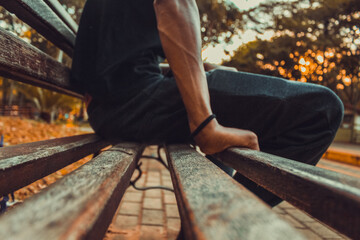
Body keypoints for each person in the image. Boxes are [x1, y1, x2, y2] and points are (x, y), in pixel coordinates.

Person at [71, 0, 344, 206]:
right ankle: (217, 225)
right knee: (321, 110)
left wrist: (205, 73)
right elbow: (174, 5)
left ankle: (208, 217)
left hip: (112, 104)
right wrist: (205, 124)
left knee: (230, 82)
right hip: (131, 102)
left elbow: (123, 59)